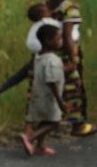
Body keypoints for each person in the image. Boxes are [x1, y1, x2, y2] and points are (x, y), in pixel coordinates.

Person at [45, 0, 96, 137]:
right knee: (73, 88)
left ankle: (46, 124)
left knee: (49, 87)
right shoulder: (70, 8)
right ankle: (77, 125)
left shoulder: (45, 6)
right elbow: (68, 36)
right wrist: (73, 58)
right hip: (66, 54)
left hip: (47, 53)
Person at [20, 24, 67, 156]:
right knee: (54, 122)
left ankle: (40, 146)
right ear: (48, 40)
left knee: (45, 121)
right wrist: (60, 101)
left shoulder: (38, 57)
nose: (61, 41)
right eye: (58, 39)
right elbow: (52, 82)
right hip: (49, 97)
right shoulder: (53, 60)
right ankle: (30, 138)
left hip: (37, 95)